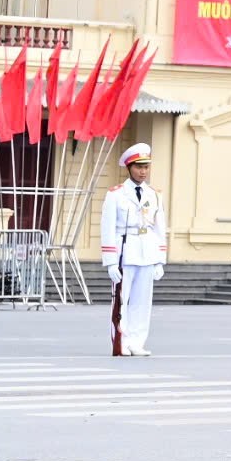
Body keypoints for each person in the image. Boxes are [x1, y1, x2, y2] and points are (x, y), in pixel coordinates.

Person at [100, 142, 168, 356]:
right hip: (124, 251)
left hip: (147, 251)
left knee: (142, 301)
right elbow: (107, 227)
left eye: (146, 167)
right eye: (139, 167)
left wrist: (160, 259)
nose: (143, 171)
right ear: (129, 168)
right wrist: (110, 261)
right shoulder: (116, 194)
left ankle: (137, 342)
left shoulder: (154, 194)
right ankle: (121, 342)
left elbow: (159, 228)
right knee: (121, 300)